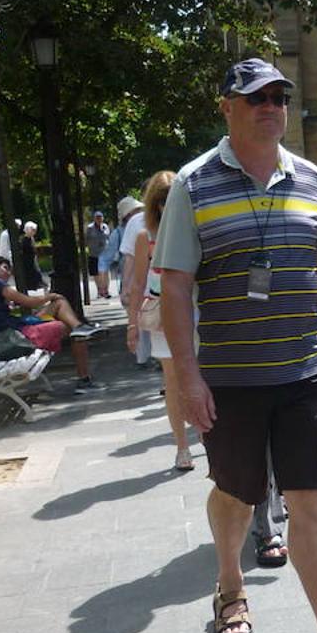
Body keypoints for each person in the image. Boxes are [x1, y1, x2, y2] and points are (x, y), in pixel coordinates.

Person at [153, 57, 317, 633]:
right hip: (231, 377)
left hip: (305, 370)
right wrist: (187, 378)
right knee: (238, 493)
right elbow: (175, 286)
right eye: (256, 97)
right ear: (228, 107)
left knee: (309, 501)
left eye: (280, 95)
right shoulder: (194, 185)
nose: (271, 105)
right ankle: (229, 580)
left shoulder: (308, 178)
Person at [126, 172, 194, 471]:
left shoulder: (194, 229)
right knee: (173, 381)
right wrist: (132, 326)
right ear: (155, 204)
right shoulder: (145, 237)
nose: (168, 205)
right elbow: (137, 283)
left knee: (205, 376)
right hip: (162, 316)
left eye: (173, 198)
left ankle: (205, 433)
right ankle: (182, 447)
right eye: (162, 200)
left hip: (197, 312)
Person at [0, 254, 104, 393]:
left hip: (10, 333)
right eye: (5, 268)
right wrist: (50, 295)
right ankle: (84, 381)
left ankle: (80, 327)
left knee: (59, 304)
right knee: (72, 330)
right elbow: (29, 302)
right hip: (13, 338)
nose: (9, 273)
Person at [118, 196, 149, 365]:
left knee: (146, 323)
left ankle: (147, 358)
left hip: (145, 284)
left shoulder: (135, 223)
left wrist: (125, 288)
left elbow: (129, 260)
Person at [86, 211, 110, 300]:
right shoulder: (90, 228)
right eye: (97, 217)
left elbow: (108, 237)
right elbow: (87, 240)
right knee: (96, 273)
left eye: (100, 217)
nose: (99, 219)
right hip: (94, 253)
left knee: (105, 272)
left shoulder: (105, 227)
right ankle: (99, 291)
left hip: (104, 253)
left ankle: (106, 290)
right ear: (94, 218)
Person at [19, 221, 46, 292]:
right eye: (33, 230)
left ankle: (37, 284)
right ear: (27, 230)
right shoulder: (23, 240)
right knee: (31, 272)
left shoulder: (31, 238)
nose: (34, 232)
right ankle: (33, 285)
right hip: (27, 260)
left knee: (35, 271)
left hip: (32, 259)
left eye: (35, 230)